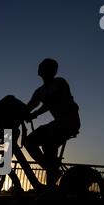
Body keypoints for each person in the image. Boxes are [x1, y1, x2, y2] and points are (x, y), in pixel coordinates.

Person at [25, 58, 81, 186]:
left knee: (47, 143)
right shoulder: (39, 91)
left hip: (70, 121)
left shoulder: (59, 82)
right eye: (43, 67)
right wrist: (18, 114)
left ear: (54, 71)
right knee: (30, 142)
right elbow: (29, 107)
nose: (45, 70)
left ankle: (53, 171)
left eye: (49, 68)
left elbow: (50, 102)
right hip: (56, 124)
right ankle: (51, 171)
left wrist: (35, 114)